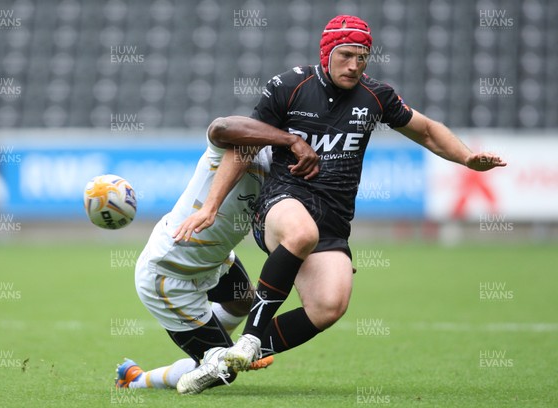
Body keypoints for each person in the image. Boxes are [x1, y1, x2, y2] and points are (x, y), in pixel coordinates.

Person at [175, 14, 507, 391]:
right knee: (300, 234)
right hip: (282, 200)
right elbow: (244, 144)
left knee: (329, 306)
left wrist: (466, 158)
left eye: (362, 57)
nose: (354, 65)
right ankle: (252, 337)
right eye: (346, 55)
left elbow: (427, 131)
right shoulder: (288, 86)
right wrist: (210, 205)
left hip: (333, 219)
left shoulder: (375, 96)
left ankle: (228, 359)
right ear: (327, 52)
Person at [113, 116, 319, 394]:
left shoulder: (280, 172)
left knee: (245, 301)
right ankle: (137, 379)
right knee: (224, 371)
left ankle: (217, 349)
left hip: (216, 261)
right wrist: (289, 139)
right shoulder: (230, 148)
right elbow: (220, 127)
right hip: (170, 275)